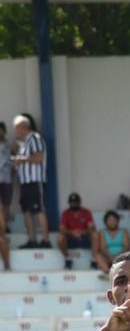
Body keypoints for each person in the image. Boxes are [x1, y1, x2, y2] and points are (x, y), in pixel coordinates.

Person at [11, 113, 50, 248]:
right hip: (24, 182)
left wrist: (22, 159)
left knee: (39, 209)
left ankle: (45, 240)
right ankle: (31, 240)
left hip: (34, 180)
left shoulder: (35, 138)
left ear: (23, 127)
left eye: (16, 128)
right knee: (26, 210)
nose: (15, 131)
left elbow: (39, 157)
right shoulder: (23, 143)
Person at [57, 192, 96, 270]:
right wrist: (72, 232)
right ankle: (67, 259)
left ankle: (94, 260)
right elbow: (61, 228)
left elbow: (91, 227)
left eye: (76, 202)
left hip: (84, 237)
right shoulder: (65, 213)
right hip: (70, 238)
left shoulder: (86, 212)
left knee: (95, 235)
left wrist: (83, 232)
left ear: (79, 202)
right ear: (69, 203)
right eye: (72, 202)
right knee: (60, 237)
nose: (74, 203)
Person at [95, 211, 130, 276]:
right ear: (105, 222)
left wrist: (117, 257)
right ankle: (108, 273)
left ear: (117, 221)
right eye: (109, 220)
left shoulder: (124, 231)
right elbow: (102, 248)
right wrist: (110, 257)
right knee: (98, 256)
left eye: (114, 220)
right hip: (107, 257)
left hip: (122, 257)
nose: (112, 222)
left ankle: (117, 273)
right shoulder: (102, 232)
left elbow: (127, 246)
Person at [0, 121, 14, 227]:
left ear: (4, 132)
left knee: (6, 204)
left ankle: (5, 226)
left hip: (7, 179)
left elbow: (14, 161)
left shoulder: (10, 145)